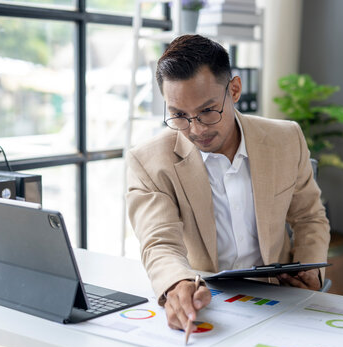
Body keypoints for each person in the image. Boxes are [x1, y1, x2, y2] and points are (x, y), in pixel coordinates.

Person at [126, 35, 330, 331]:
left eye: (208, 111)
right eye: (179, 115)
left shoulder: (286, 139)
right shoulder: (148, 161)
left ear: (234, 90)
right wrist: (176, 283)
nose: (195, 129)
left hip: (282, 299)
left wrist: (309, 269)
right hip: (208, 301)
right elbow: (159, 242)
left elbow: (309, 216)